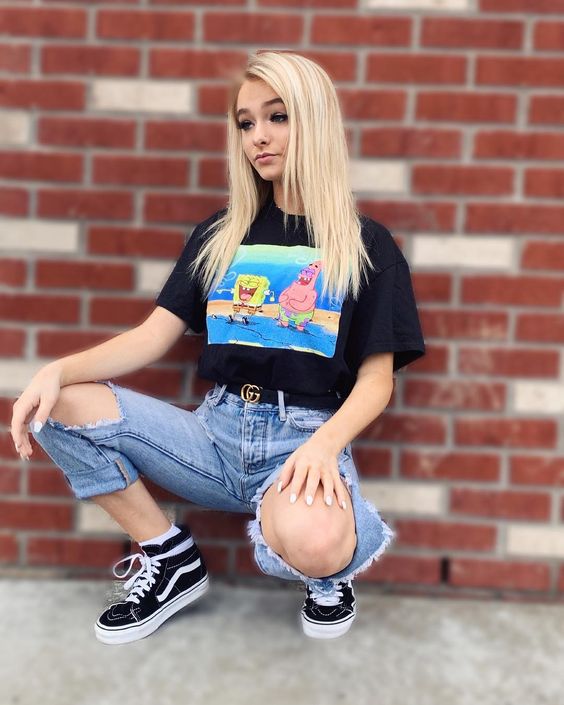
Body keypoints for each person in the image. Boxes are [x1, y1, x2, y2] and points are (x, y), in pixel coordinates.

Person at [10, 50, 426, 644]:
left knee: (315, 542)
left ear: (314, 121)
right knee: (57, 406)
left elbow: (377, 379)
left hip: (302, 440)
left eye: (277, 117)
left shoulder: (365, 246)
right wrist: (56, 371)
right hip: (212, 436)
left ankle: (326, 573)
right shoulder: (220, 235)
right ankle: (169, 557)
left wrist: (323, 446)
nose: (259, 136)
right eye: (246, 122)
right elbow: (152, 336)